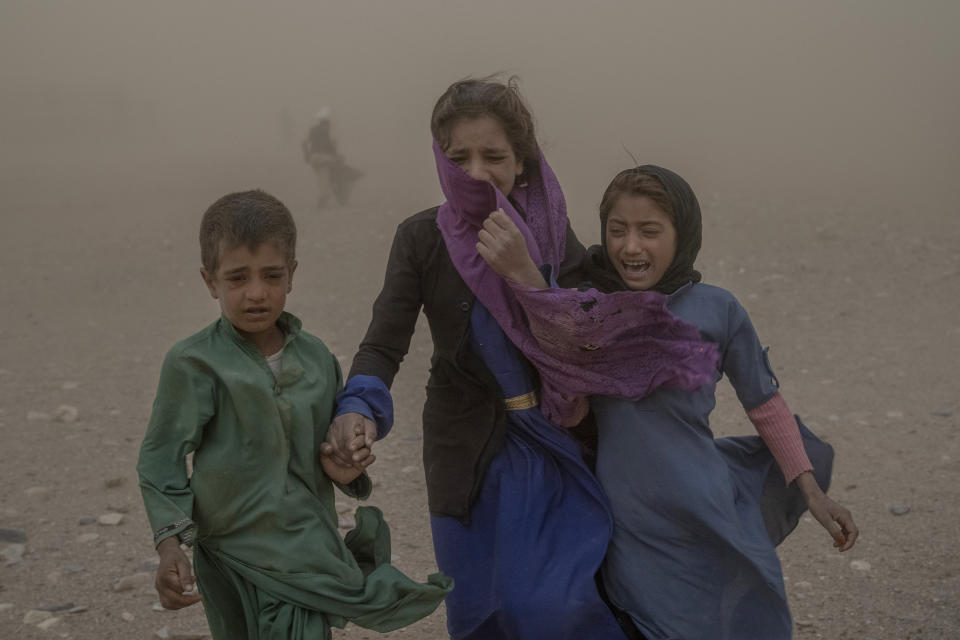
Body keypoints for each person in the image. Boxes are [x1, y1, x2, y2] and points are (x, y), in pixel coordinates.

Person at [322, 77, 720, 639]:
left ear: (524, 162)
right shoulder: (421, 239)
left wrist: (527, 276)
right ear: (441, 159)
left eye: (495, 156)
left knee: (557, 606)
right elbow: (384, 343)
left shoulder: (555, 239)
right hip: (464, 453)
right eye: (460, 157)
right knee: (480, 612)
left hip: (554, 444)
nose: (477, 172)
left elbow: (590, 344)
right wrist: (358, 406)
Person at [479, 165, 860, 640]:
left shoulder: (718, 310)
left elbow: (764, 404)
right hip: (629, 519)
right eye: (617, 231)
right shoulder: (592, 310)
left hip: (705, 506)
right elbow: (571, 409)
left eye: (649, 231)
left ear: (682, 234)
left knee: (741, 613)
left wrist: (812, 494)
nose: (630, 247)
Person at [135, 189, 451, 640]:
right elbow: (161, 460)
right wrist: (170, 546)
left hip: (305, 549)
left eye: (271, 275)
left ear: (292, 274)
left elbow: (330, 454)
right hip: (228, 554)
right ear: (210, 281)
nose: (257, 293)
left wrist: (344, 466)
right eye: (237, 278)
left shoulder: (318, 360)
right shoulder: (194, 364)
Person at [302, 108, 363, 208]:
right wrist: (338, 158)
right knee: (327, 174)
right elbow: (333, 147)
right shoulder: (328, 131)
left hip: (315, 158)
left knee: (324, 175)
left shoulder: (313, 130)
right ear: (326, 122)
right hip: (325, 158)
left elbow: (304, 143)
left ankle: (328, 194)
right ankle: (331, 195)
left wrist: (307, 156)